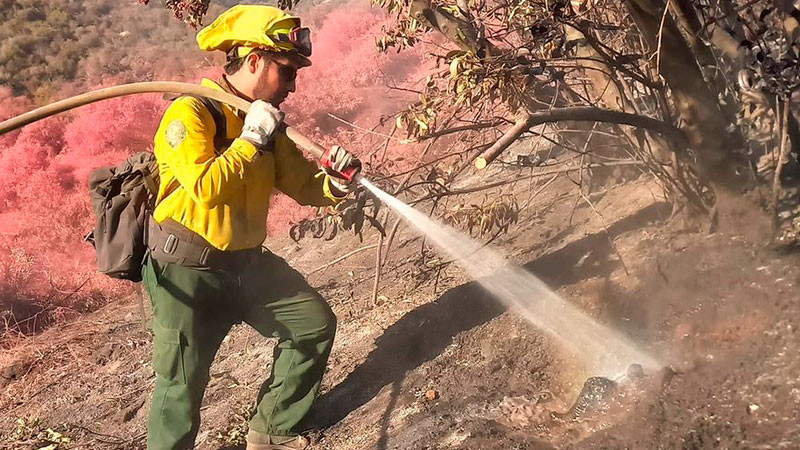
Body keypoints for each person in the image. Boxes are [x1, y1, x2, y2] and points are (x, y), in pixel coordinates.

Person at [141, 5, 359, 450]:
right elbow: (205, 187)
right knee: (182, 386)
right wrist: (250, 140)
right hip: (188, 270)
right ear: (255, 61)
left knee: (312, 326)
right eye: (287, 71)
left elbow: (300, 182)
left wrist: (333, 183)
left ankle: (272, 431)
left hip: (246, 264)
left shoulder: (264, 122)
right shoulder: (191, 113)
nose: (293, 86)